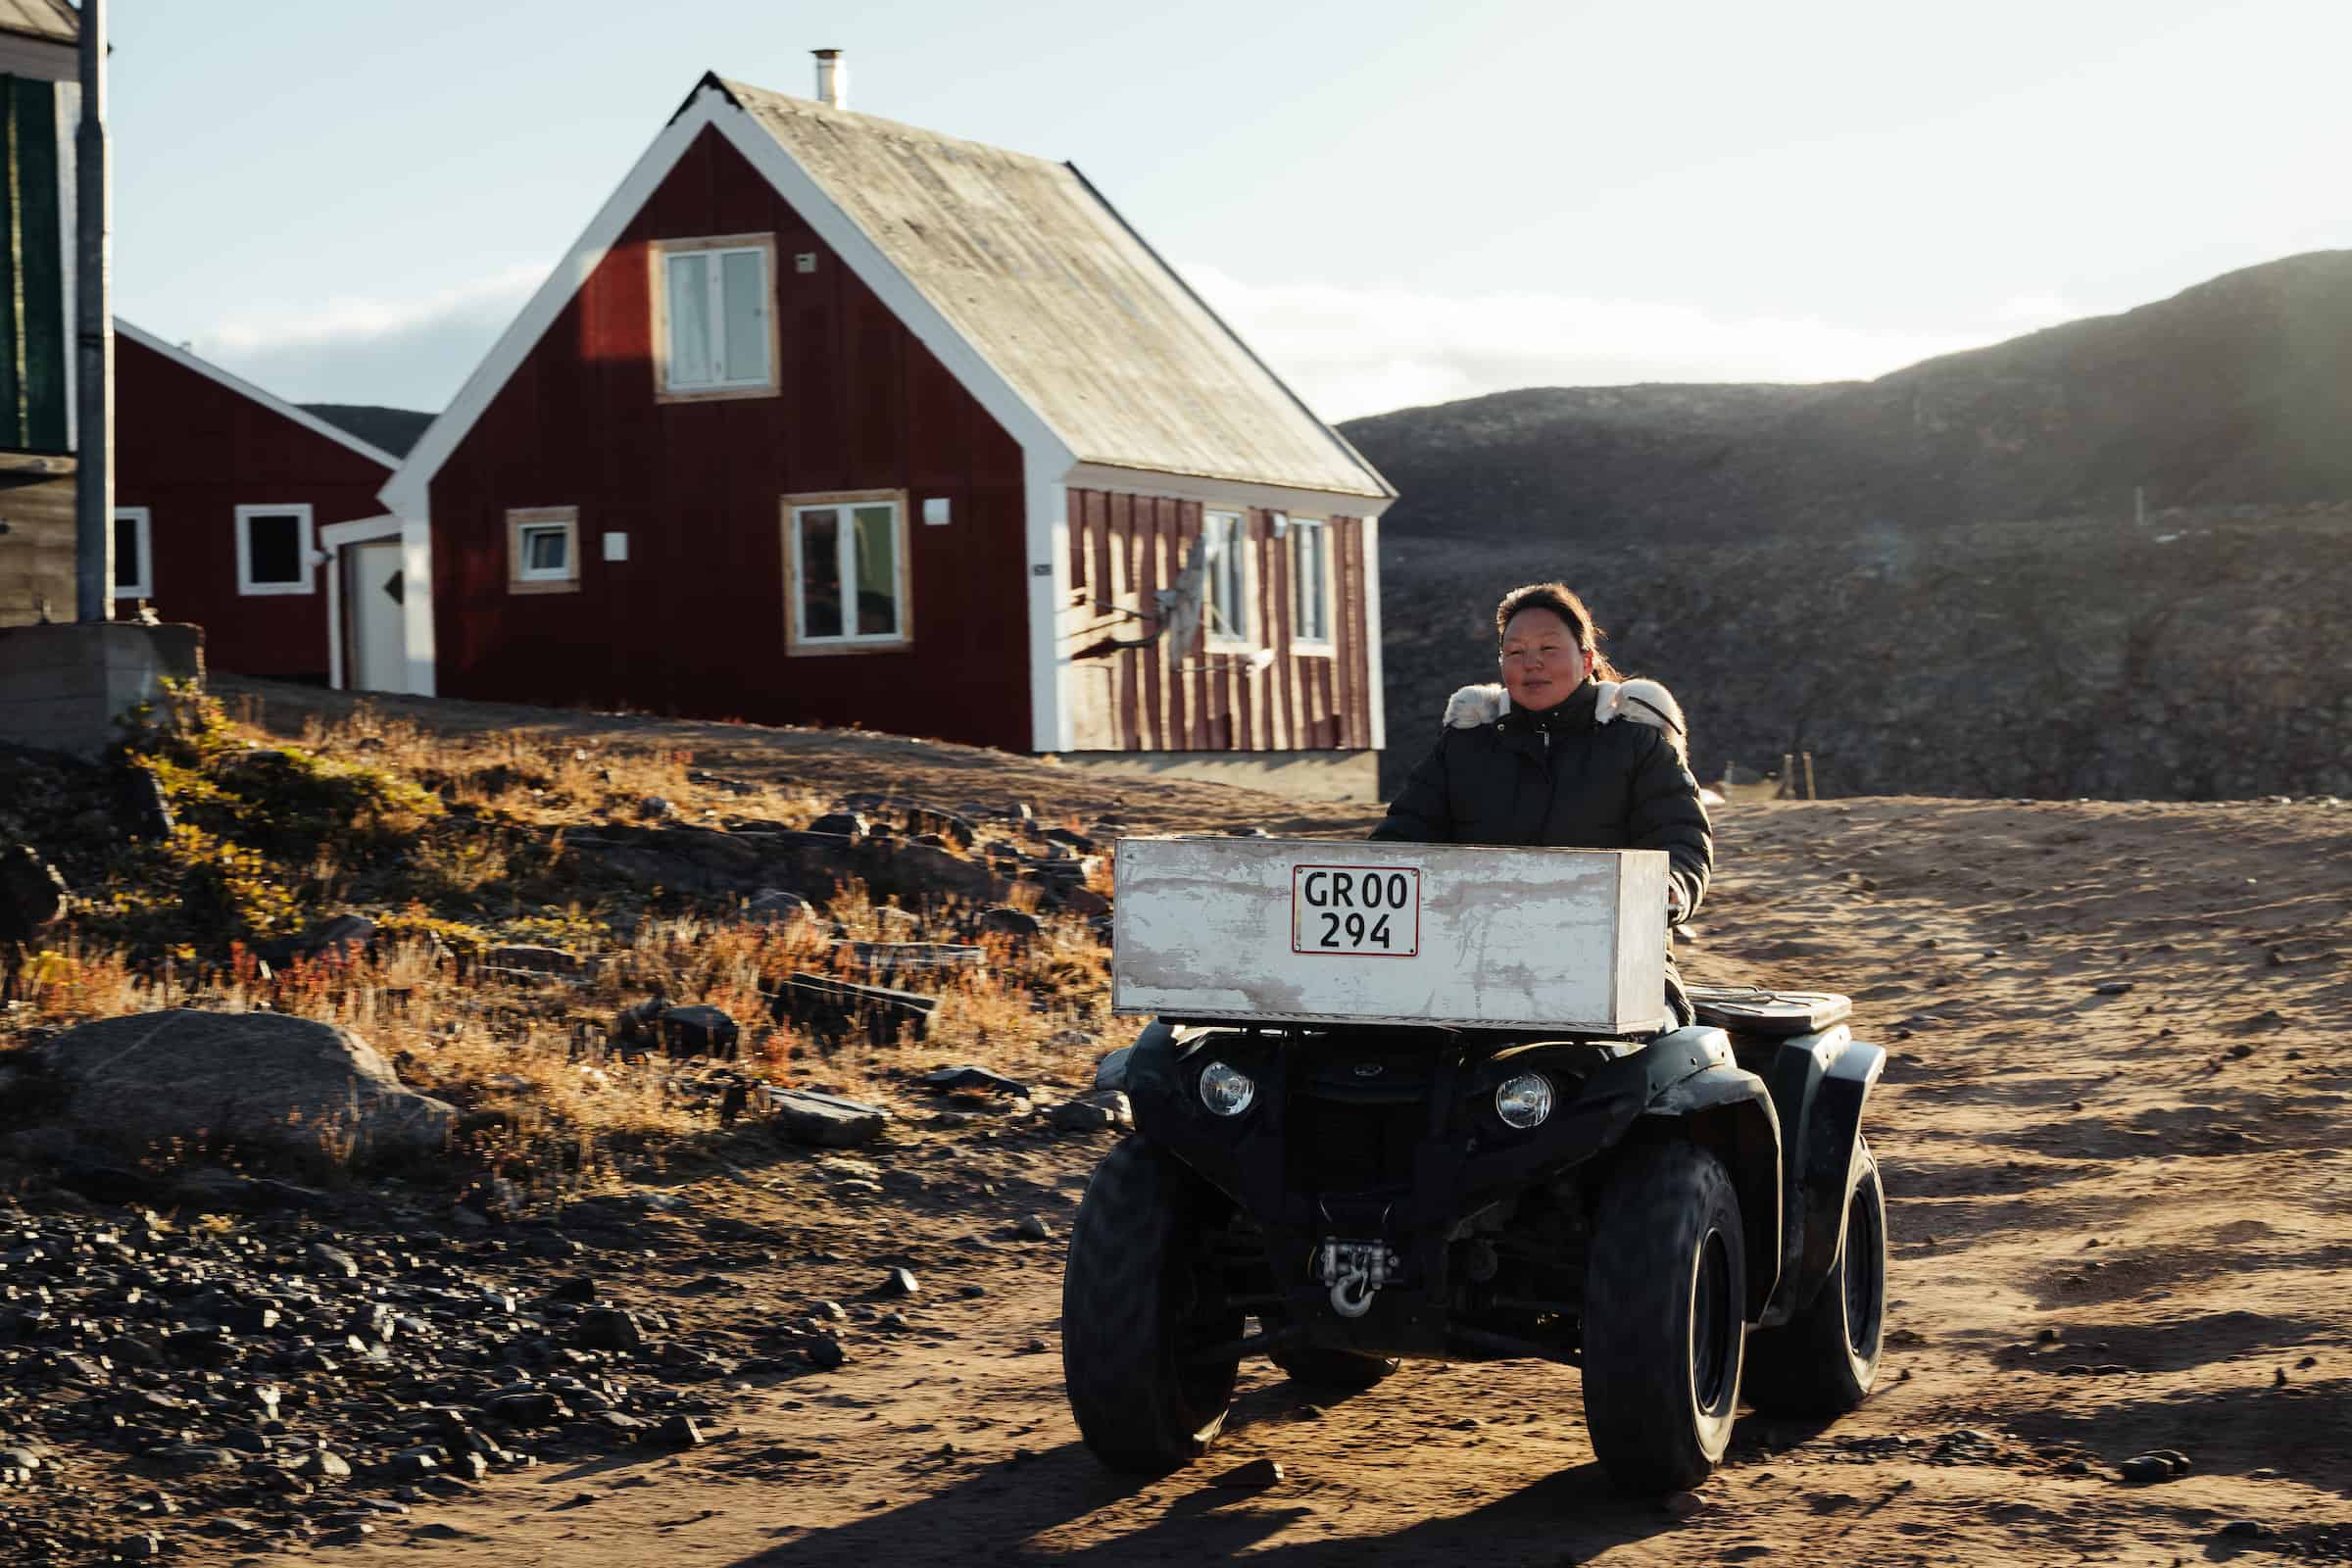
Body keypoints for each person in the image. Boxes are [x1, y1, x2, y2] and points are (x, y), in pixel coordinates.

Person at [1371, 581, 1712, 1027]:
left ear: (1587, 659)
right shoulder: (1464, 747)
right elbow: (1401, 839)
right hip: (1470, 965)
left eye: (1549, 648)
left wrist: (1670, 890)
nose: (1531, 663)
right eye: (1514, 652)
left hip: (1617, 969)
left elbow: (1681, 840)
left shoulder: (1637, 744)